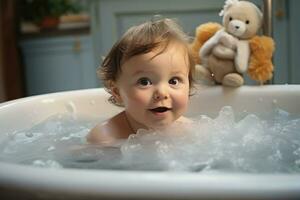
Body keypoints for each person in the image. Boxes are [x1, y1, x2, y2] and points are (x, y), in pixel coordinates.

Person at [87, 18, 195, 145]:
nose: (162, 93)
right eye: (144, 82)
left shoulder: (189, 130)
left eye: (174, 81)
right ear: (117, 92)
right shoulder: (105, 138)